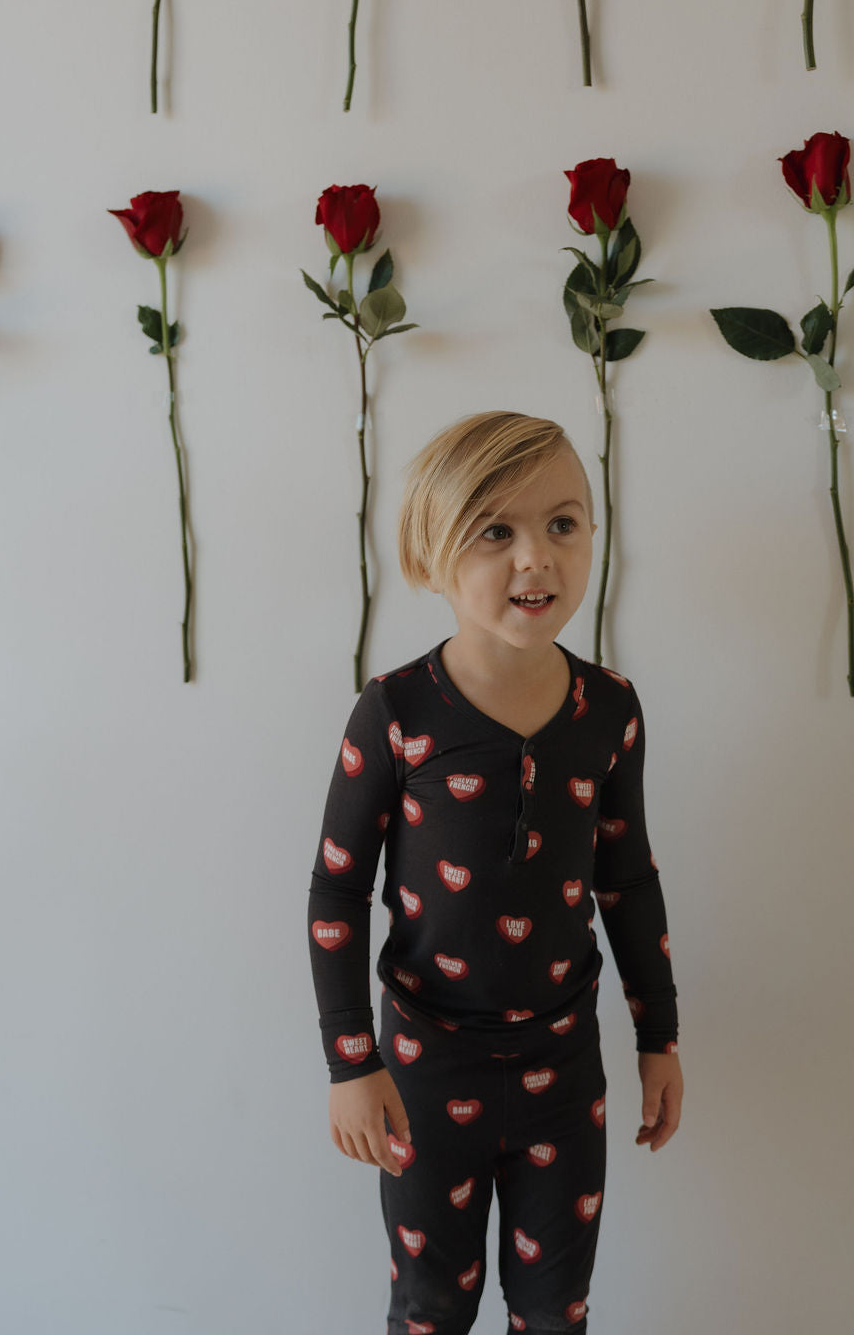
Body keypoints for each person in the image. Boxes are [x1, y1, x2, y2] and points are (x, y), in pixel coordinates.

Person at [307, 410, 683, 1335]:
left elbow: (628, 880)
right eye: (495, 531)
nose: (536, 557)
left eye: (563, 523)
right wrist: (351, 1061)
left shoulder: (611, 710)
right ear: (432, 554)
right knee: (431, 1307)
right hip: (424, 1068)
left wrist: (659, 1036)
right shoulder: (396, 711)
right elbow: (338, 890)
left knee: (556, 1311)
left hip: (566, 1065)